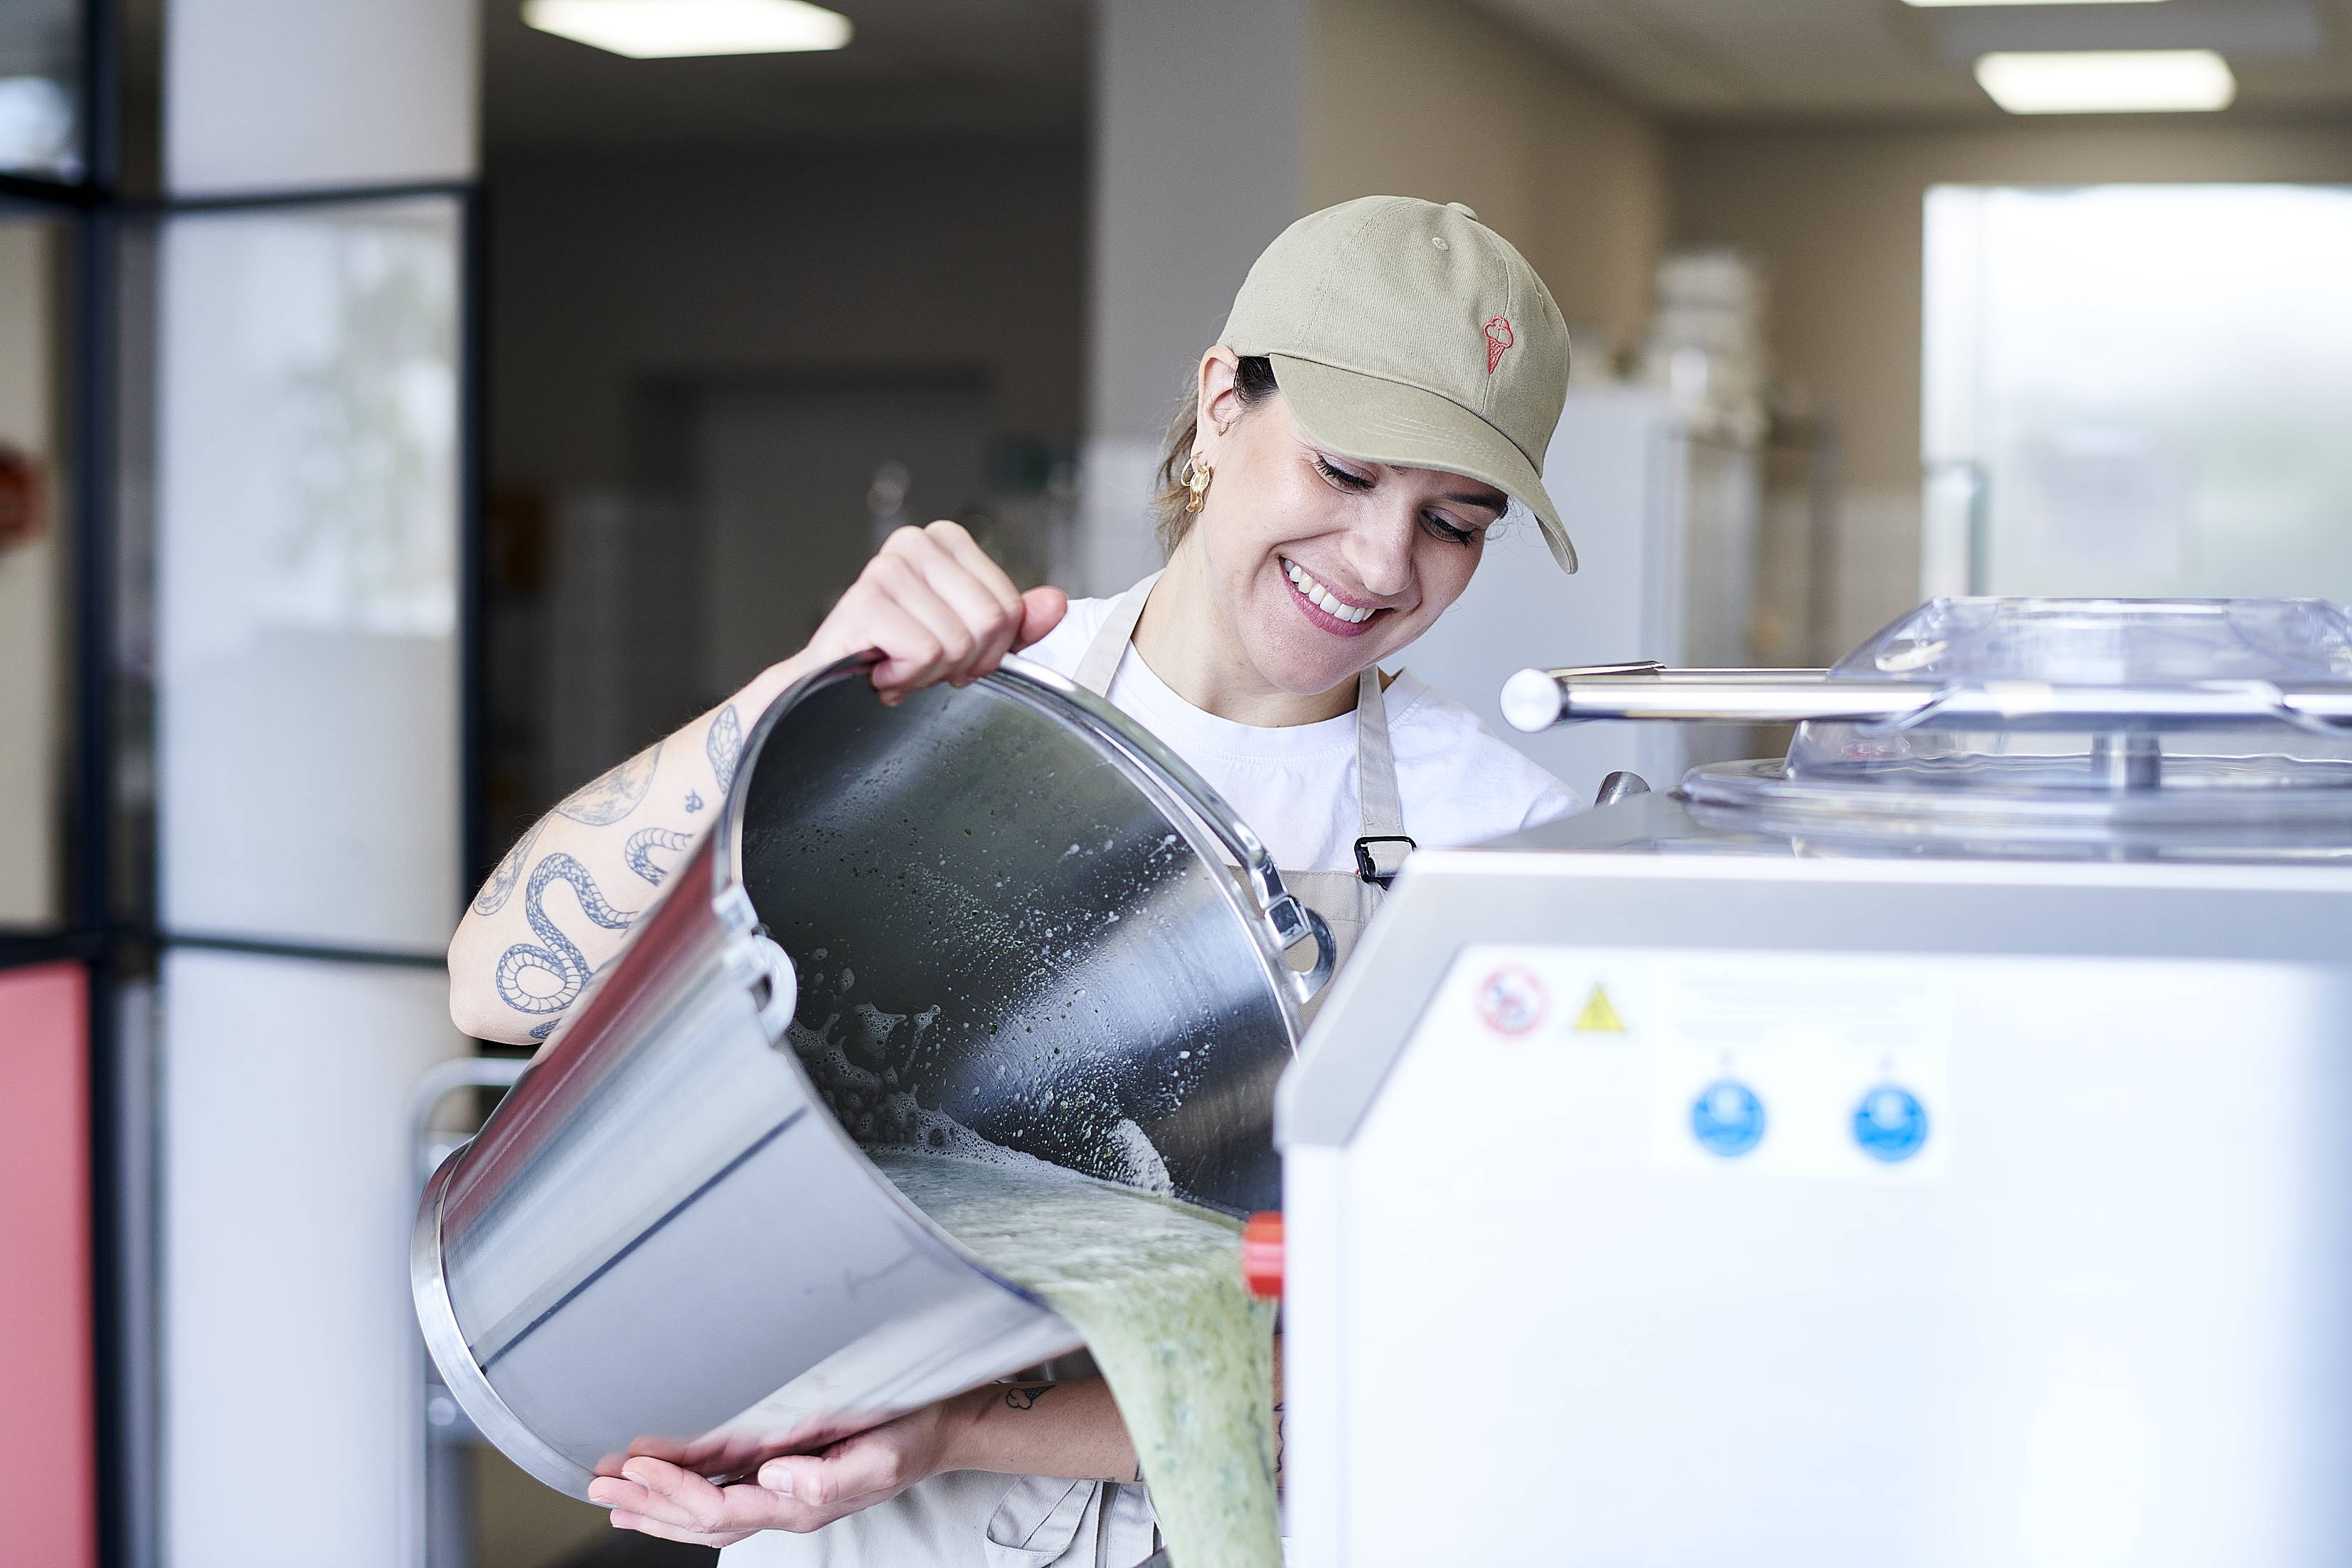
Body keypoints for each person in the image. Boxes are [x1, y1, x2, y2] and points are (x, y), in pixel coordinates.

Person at [447, 194, 1583, 1564]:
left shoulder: (1500, 842)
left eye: (1455, 522)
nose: (1383, 562)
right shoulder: (956, 705)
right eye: (1344, 473)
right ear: (1222, 403)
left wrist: (952, 1425)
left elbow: (1420, 1343)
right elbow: (506, 981)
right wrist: (791, 697)